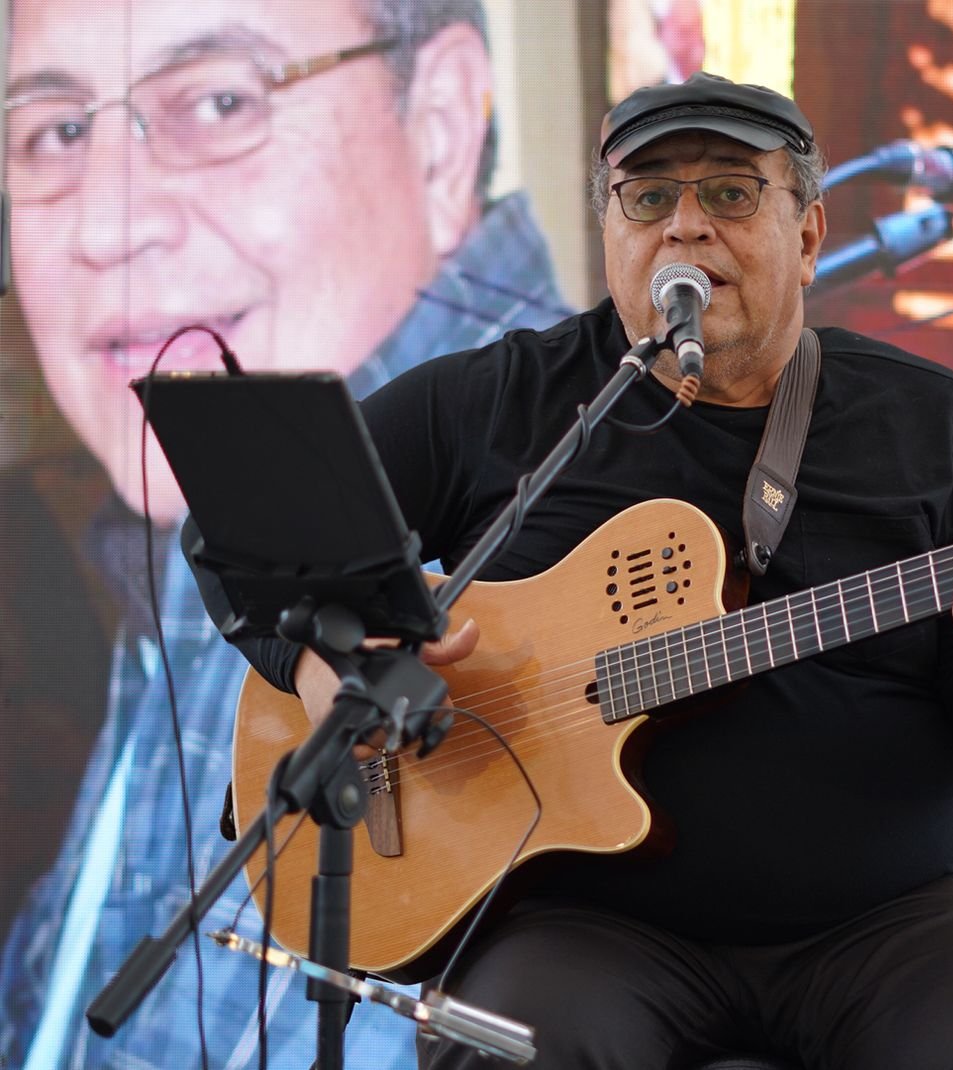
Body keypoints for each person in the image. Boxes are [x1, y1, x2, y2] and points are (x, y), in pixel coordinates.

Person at [215, 71, 953, 1069]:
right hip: (582, 923)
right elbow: (246, 534)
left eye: (731, 191)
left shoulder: (937, 426)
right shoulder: (497, 402)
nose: (686, 225)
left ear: (808, 234)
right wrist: (324, 664)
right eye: (648, 197)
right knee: (510, 1052)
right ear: (609, 231)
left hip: (894, 923)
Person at [0, 0, 571, 1066]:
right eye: (56, 131)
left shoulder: (596, 514)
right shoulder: (213, 490)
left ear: (440, 127)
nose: (104, 229)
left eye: (219, 102)